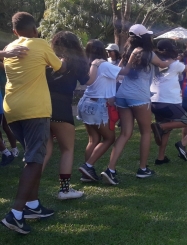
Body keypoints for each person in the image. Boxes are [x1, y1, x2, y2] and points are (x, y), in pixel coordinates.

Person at [1, 12, 67, 234]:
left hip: (11, 109)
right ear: (35, 29)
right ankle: (16, 214)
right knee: (35, 159)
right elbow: (61, 69)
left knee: (32, 156)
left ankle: (33, 205)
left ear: (15, 32)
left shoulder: (9, 48)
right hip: (34, 110)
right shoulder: (40, 44)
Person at [106, 24, 173, 182]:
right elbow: (163, 65)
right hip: (139, 97)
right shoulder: (147, 53)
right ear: (144, 38)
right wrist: (172, 59)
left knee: (125, 133)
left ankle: (110, 169)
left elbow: (121, 71)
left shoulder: (127, 53)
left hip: (122, 95)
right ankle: (142, 169)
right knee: (145, 132)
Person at [77, 39, 135, 185]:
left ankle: (87, 173)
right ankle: (88, 166)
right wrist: (132, 58)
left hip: (85, 103)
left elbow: (113, 72)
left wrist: (121, 60)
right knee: (109, 138)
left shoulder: (91, 64)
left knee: (93, 139)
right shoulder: (103, 64)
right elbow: (126, 72)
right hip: (98, 105)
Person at [42, 31, 89, 200]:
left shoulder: (46, 60)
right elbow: (87, 80)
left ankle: (29, 187)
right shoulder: (76, 63)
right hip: (62, 110)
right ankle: (64, 190)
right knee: (67, 150)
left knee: (44, 151)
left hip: (42, 109)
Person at [149, 40, 187, 164]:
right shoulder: (175, 64)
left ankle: (161, 158)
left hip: (154, 101)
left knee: (166, 131)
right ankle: (159, 127)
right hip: (169, 101)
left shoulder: (154, 62)